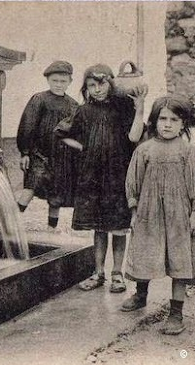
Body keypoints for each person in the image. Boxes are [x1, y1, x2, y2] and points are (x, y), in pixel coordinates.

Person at [121, 95, 195, 335]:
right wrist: (134, 211)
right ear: (154, 121)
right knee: (145, 252)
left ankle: (176, 312)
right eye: (162, 119)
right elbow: (133, 182)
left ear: (183, 124)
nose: (167, 124)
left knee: (180, 259)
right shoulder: (144, 150)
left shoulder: (188, 152)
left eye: (174, 120)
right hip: (149, 214)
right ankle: (141, 294)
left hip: (179, 215)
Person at [59, 64, 147, 293]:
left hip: (118, 175)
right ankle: (98, 273)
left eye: (101, 84)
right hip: (93, 177)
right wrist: (83, 147)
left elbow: (134, 136)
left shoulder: (123, 109)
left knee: (118, 228)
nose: (97, 89)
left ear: (111, 84)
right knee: (98, 228)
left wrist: (139, 109)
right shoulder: (83, 111)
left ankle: (117, 274)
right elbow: (62, 133)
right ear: (86, 88)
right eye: (91, 85)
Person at [16, 61, 80, 229]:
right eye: (55, 81)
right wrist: (25, 152)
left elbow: (75, 131)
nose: (58, 84)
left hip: (62, 157)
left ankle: (51, 229)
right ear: (48, 80)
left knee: (56, 196)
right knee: (31, 186)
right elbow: (27, 125)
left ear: (70, 82)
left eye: (63, 81)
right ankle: (12, 223)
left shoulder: (73, 105)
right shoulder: (39, 99)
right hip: (39, 153)